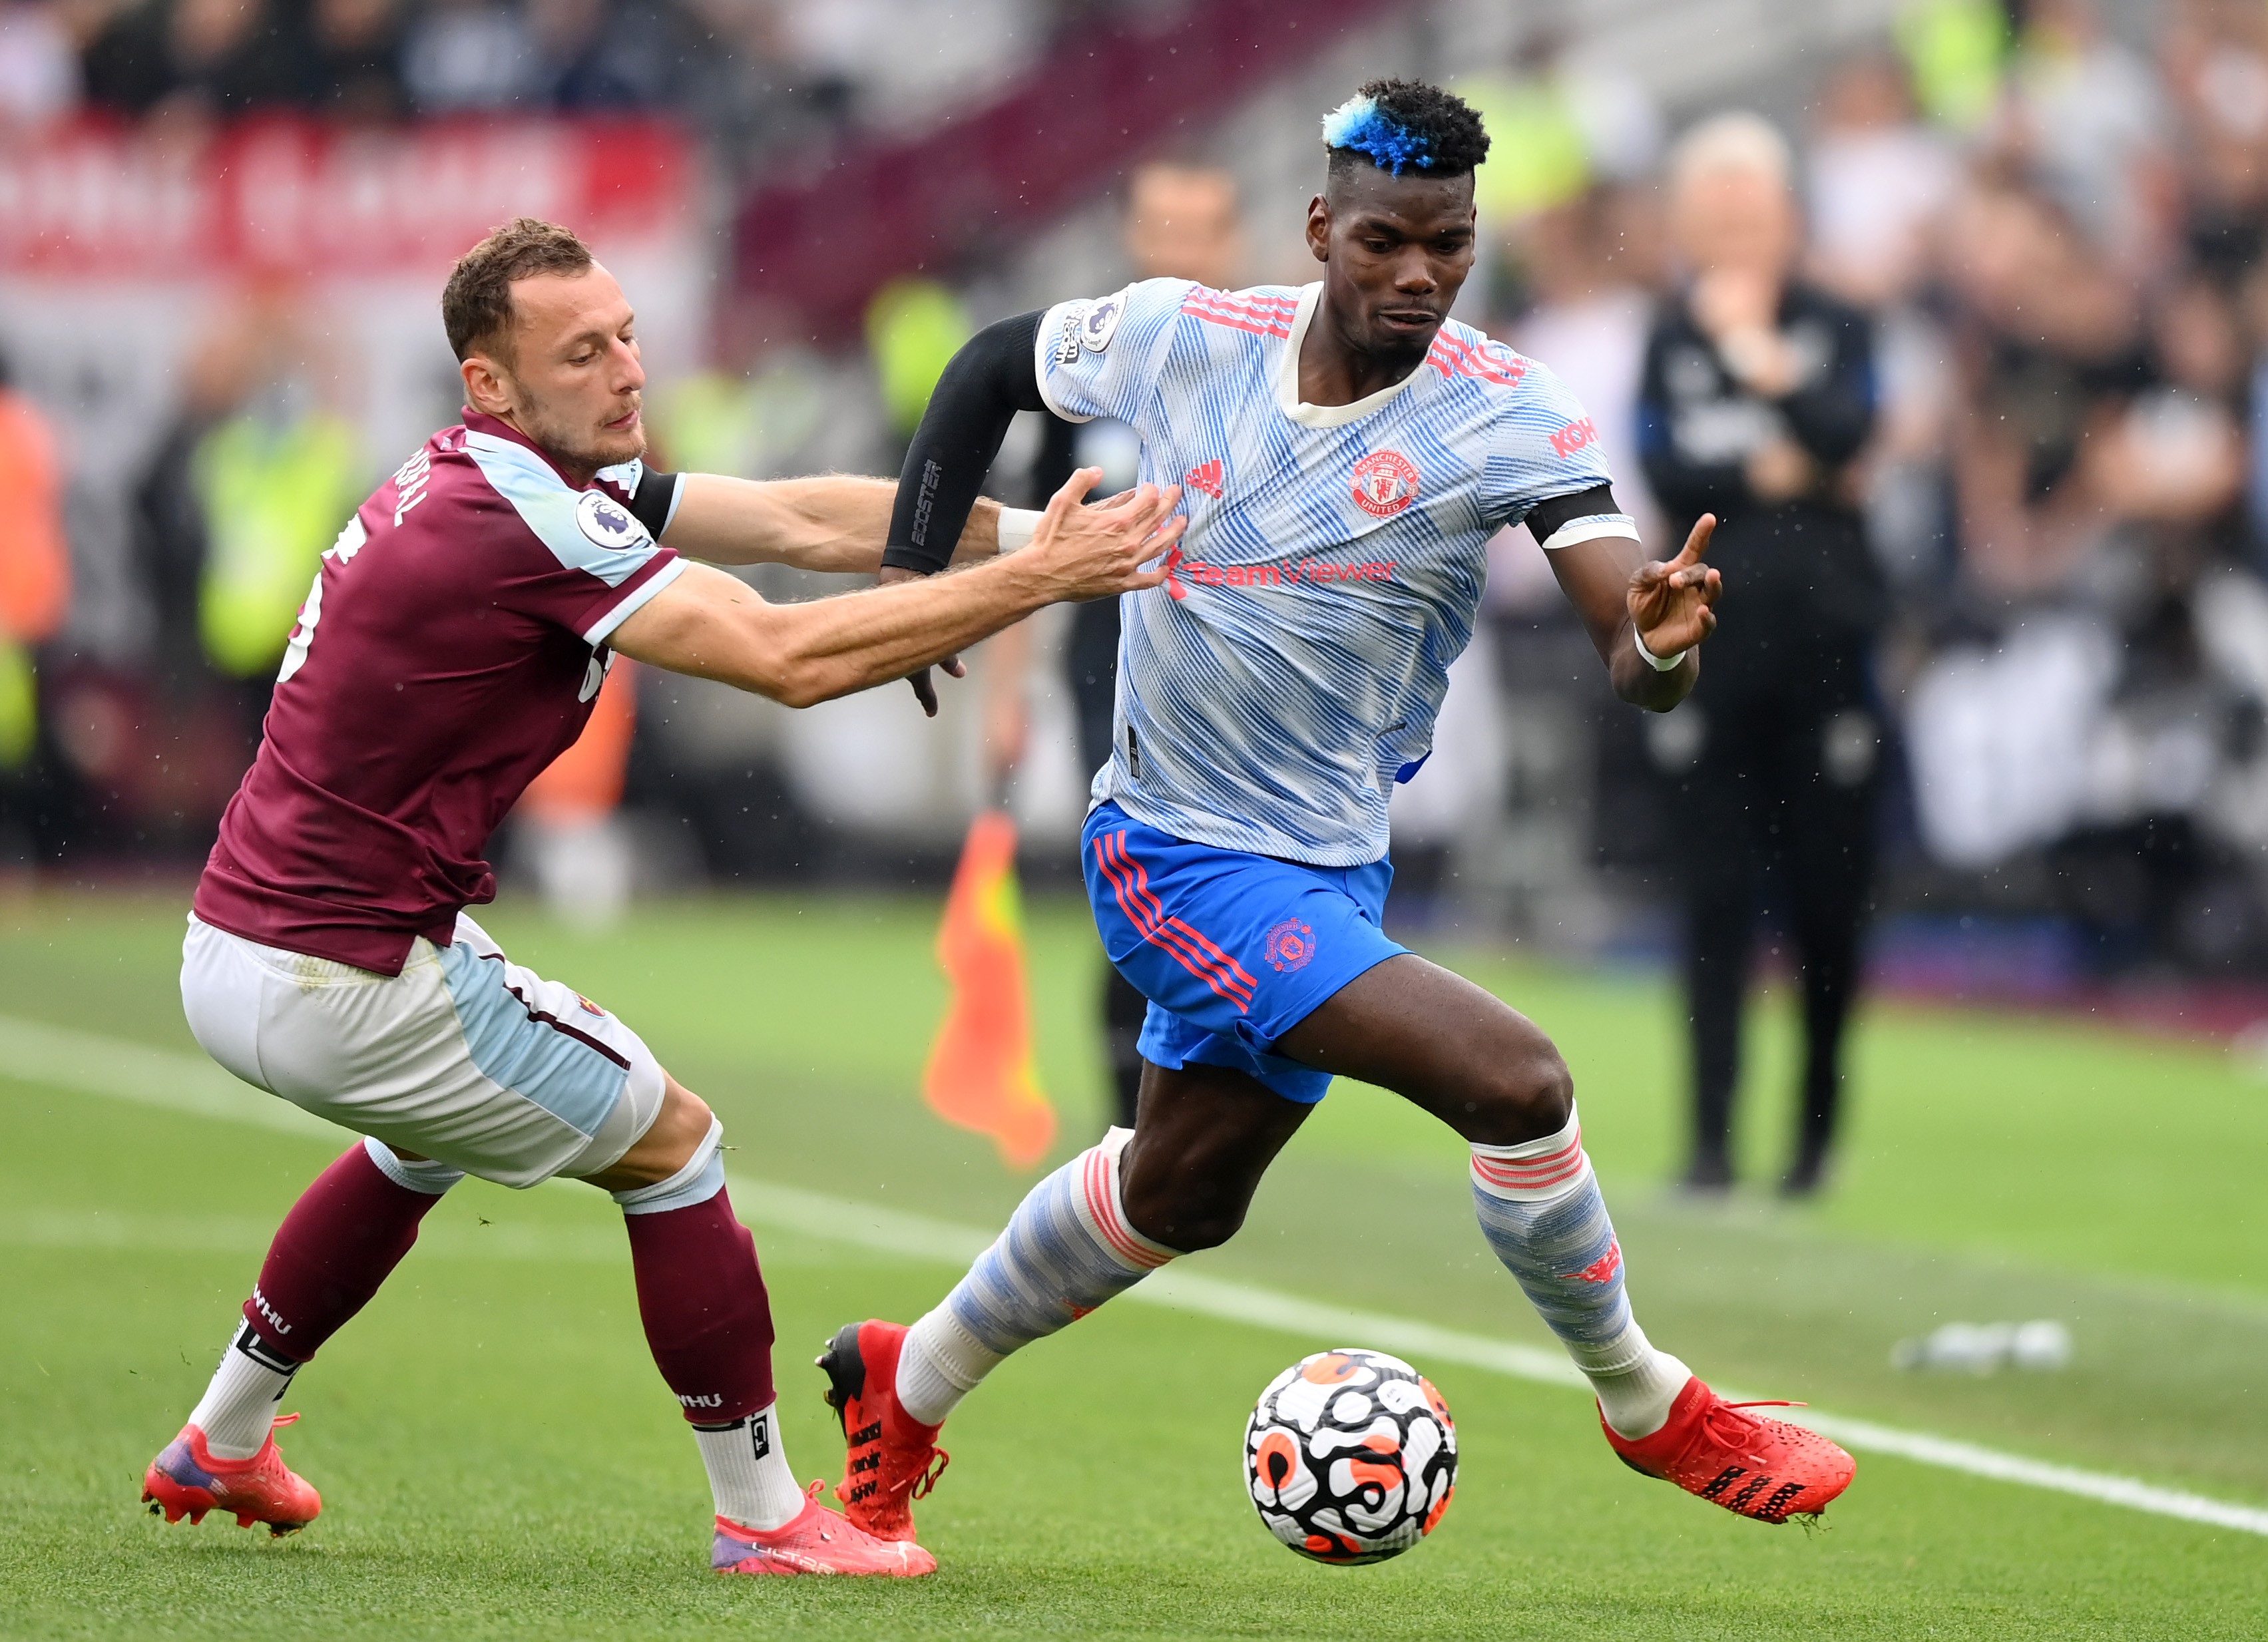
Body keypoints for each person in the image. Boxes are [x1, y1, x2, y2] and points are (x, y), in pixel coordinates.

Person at [822, 80, 1856, 1557]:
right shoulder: (1191, 338)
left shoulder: (1503, 412)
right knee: (1516, 1080)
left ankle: (901, 1382)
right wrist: (924, 577)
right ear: (1321, 228)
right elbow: (993, 364)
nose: (1419, 274)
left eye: (1449, 244)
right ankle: (1651, 1405)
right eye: (1385, 241)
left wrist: (1666, 639)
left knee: (1179, 1193)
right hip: (1173, 851)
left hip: (1329, 872)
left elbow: (1632, 660)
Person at [137, 216, 1181, 1577]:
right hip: (345, 975)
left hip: (242, 949)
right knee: (673, 1142)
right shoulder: (525, 517)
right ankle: (763, 1518)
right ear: (492, 385)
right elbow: (787, 655)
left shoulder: (517, 478)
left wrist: (1030, 527)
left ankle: (224, 1434)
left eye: (627, 333)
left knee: (427, 1138)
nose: (627, 368)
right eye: (582, 351)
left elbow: (805, 518)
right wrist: (1034, 580)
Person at [1634, 114, 1882, 1198]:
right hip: (1713, 654)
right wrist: (1777, 455)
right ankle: (1710, 1144)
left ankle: (1814, 1141)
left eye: (1750, 212)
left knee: (1829, 904)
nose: (1732, 234)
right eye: (1713, 215)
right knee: (1712, 900)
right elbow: (1667, 468)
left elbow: (1842, 436)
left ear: (1789, 218)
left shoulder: (1837, 318)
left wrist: (1753, 360)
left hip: (1831, 652)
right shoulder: (1663, 331)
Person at [985, 159, 1244, 1130]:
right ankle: (1130, 1113)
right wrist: (1008, 694)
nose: (1178, 250)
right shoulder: (1089, 366)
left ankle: (1203, 1101)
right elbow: (1024, 536)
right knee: (1151, 875)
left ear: (1231, 241)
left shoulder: (1283, 360)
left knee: (1236, 883)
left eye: (1199, 229)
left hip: (1252, 669)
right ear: (1133, 236)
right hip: (1124, 659)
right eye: (1162, 228)